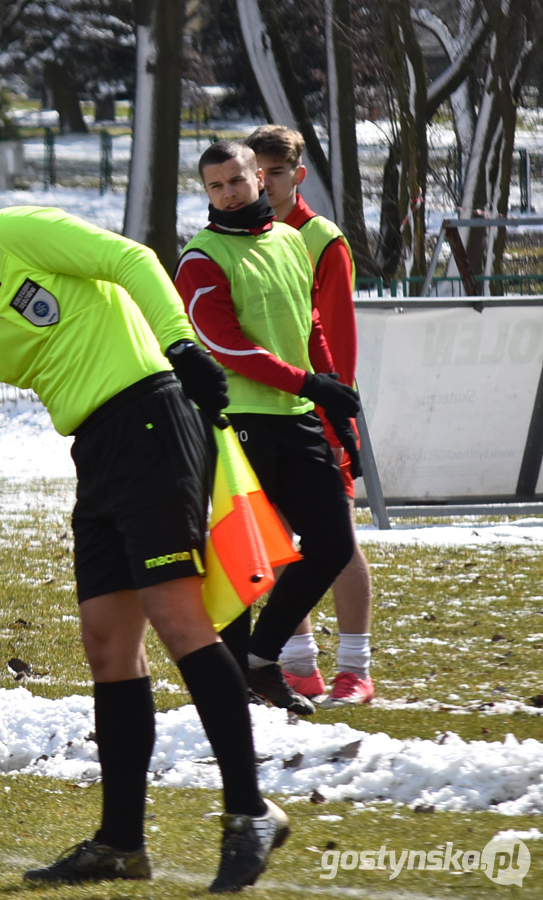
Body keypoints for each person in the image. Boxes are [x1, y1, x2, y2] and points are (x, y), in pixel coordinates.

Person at [0, 181, 288, 892]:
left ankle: (249, 813)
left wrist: (181, 344)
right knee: (107, 641)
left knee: (178, 622)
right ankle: (122, 844)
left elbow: (131, 259)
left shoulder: (15, 233)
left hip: (151, 423)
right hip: (97, 454)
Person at [175, 140, 360, 717]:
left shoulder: (290, 242)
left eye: (236, 180)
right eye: (215, 186)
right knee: (244, 557)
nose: (228, 194)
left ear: (261, 178)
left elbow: (312, 329)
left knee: (332, 544)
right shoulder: (201, 257)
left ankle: (258, 660)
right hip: (238, 424)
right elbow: (224, 344)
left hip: (299, 420)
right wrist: (310, 385)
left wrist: (333, 407)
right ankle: (236, 690)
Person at [245, 125, 375, 708]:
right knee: (273, 541)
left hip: (313, 416)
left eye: (276, 172)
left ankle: (356, 666)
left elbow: (333, 338)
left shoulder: (321, 239)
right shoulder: (238, 238)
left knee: (337, 539)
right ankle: (298, 665)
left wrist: (334, 411)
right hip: (259, 416)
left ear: (297, 176)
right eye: (259, 172)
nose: (265, 183)